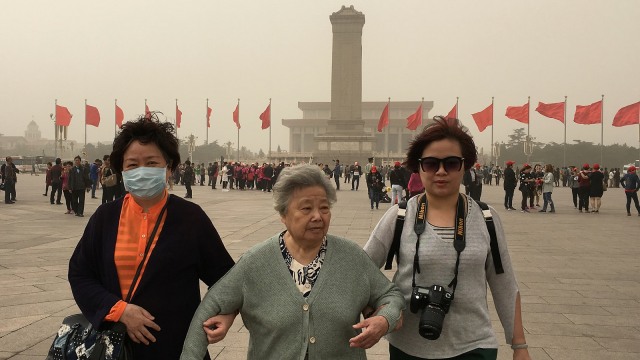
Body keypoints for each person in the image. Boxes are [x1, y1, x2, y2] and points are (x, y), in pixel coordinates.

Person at [180, 164, 404, 360]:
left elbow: (390, 295)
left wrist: (385, 319)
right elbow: (209, 308)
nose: (318, 216)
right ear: (283, 214)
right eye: (306, 208)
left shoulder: (352, 257)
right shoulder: (255, 262)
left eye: (324, 208)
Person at [68, 115, 235, 359]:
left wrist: (227, 313)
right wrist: (120, 311)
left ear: (169, 168)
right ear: (122, 170)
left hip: (178, 347)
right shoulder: (105, 218)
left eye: (152, 163)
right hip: (115, 347)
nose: (141, 171)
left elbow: (228, 278)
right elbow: (80, 274)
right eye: (133, 165)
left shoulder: (191, 217)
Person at [364, 117, 531, 360]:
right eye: (431, 164)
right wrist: (377, 311)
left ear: (465, 166)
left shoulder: (487, 218)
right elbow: (361, 270)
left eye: (451, 163)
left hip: (473, 346)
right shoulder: (400, 215)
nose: (441, 171)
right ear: (419, 168)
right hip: (409, 348)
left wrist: (520, 346)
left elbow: (504, 284)